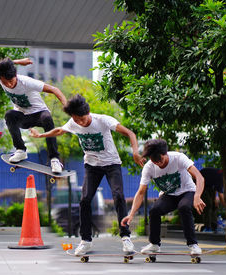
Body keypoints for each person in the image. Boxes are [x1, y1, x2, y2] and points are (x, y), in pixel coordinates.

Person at [29, 94, 145, 255]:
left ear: (88, 113)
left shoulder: (103, 120)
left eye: (82, 120)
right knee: (84, 200)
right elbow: (60, 130)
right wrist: (41, 135)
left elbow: (130, 133)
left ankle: (126, 238)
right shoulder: (74, 122)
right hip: (92, 166)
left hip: (112, 164)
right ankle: (86, 241)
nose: (80, 123)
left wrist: (135, 152)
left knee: (118, 196)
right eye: (76, 121)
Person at [0, 39, 67, 173]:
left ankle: (54, 159)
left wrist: (67, 106)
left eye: (11, 81)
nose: (9, 85)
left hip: (39, 114)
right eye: (5, 83)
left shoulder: (27, 82)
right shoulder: (0, 77)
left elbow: (54, 89)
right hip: (23, 117)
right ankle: (20, 150)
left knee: (47, 117)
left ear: (15, 75)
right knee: (9, 114)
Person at [121, 139, 205, 255]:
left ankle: (193, 245)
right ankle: (154, 244)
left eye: (160, 159)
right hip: (169, 195)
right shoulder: (149, 167)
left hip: (187, 191)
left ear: (165, 153)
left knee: (184, 207)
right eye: (154, 161)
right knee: (154, 210)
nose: (158, 163)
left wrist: (197, 196)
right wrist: (131, 214)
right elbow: (141, 192)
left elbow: (199, 177)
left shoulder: (179, 158)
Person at [200, 167, 226, 232]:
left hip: (209, 185)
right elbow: (221, 196)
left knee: (214, 205)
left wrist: (214, 199)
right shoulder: (221, 177)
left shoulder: (222, 176)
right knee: (208, 204)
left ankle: (214, 226)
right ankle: (207, 227)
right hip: (199, 182)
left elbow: (216, 188)